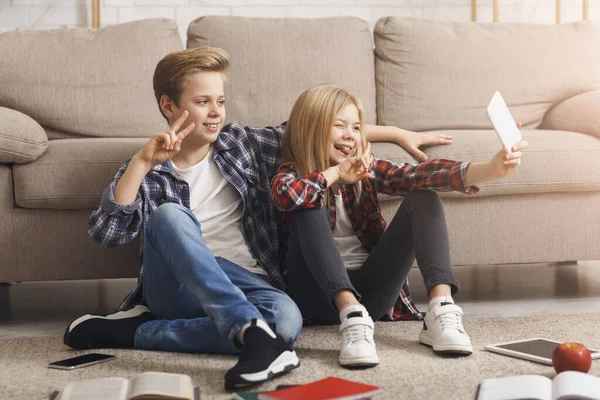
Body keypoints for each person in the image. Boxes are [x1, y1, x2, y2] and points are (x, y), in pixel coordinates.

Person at [61, 47, 443, 389]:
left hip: (250, 282)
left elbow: (315, 129)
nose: (215, 112)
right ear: (169, 107)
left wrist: (394, 132)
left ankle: (141, 332)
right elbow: (108, 232)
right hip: (178, 288)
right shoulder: (149, 168)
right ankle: (250, 333)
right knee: (169, 216)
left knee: (287, 323)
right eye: (203, 101)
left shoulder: (240, 144)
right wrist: (142, 163)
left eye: (221, 101)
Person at [270, 84, 527, 368]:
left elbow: (417, 175)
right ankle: (350, 311)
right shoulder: (290, 174)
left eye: (356, 128)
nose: (350, 135)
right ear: (312, 128)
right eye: (339, 125)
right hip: (314, 296)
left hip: (371, 296)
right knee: (307, 202)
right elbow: (287, 195)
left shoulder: (365, 169)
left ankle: (440, 310)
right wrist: (335, 174)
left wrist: (491, 169)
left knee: (423, 195)